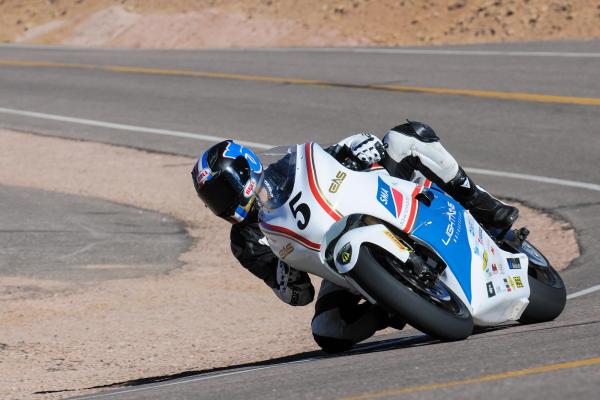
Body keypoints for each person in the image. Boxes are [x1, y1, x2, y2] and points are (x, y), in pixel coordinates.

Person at [191, 121, 518, 353]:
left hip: (372, 200)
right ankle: (397, 304)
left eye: (222, 191)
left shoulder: (286, 166)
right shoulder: (245, 242)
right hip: (341, 262)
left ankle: (480, 203)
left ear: (244, 171)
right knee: (328, 332)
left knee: (407, 137)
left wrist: (354, 146)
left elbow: (332, 158)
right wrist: (284, 274)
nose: (221, 204)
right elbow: (297, 295)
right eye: (213, 200)